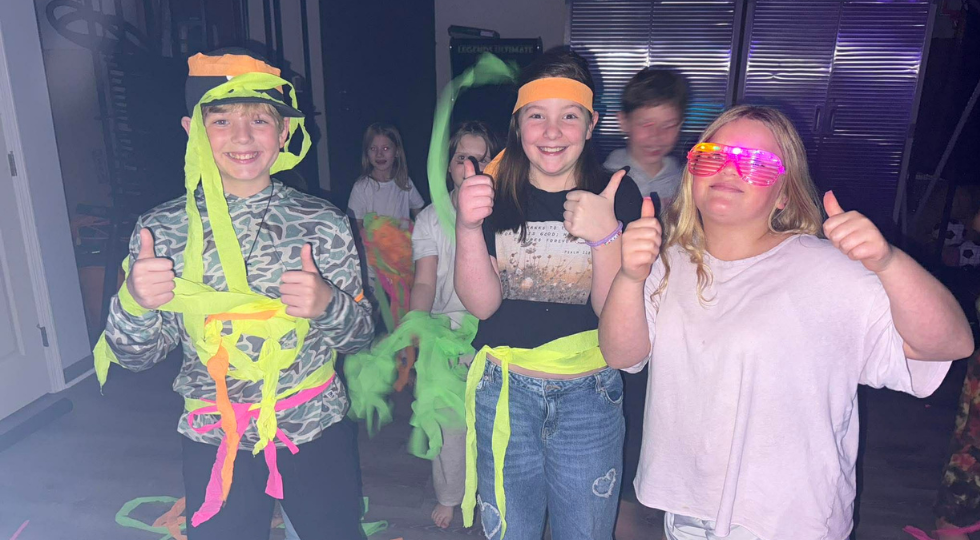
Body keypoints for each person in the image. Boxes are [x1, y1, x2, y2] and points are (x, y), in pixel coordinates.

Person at [598, 104, 972, 540]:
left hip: (789, 519)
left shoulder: (829, 272)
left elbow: (950, 344)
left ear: (784, 194)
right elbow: (622, 355)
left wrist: (888, 262)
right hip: (688, 511)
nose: (729, 170)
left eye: (756, 164)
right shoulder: (667, 262)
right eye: (713, 156)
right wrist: (630, 276)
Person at [95, 49, 374, 540]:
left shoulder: (322, 223)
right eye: (221, 121)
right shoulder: (161, 230)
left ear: (284, 132)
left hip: (313, 426)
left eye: (259, 120)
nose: (242, 137)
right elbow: (136, 357)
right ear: (192, 131)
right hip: (214, 436)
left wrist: (328, 305)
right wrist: (134, 302)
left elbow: (360, 336)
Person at [455, 48, 643, 540]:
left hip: (589, 395)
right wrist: (466, 227)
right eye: (537, 115)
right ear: (518, 125)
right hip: (504, 391)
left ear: (591, 123)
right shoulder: (493, 190)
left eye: (570, 116)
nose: (552, 132)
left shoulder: (617, 194)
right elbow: (482, 304)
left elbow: (611, 314)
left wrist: (606, 237)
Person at [410, 121, 499, 528]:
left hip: (492, 331)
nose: (470, 167)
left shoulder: (504, 212)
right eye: (462, 157)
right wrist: (417, 328)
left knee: (491, 421)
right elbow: (425, 281)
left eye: (481, 159)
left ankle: (491, 491)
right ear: (448, 165)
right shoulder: (430, 218)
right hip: (444, 334)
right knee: (448, 422)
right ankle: (450, 494)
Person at [604, 68, 687, 207]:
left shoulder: (685, 183)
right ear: (624, 122)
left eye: (668, 126)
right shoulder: (603, 179)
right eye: (646, 124)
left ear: (679, 126)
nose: (656, 136)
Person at [347, 122, 425, 230]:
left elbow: (419, 214)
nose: (379, 154)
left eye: (385, 148)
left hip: (403, 240)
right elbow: (356, 225)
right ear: (367, 153)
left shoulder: (405, 182)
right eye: (373, 148)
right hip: (372, 241)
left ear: (397, 152)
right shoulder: (361, 187)